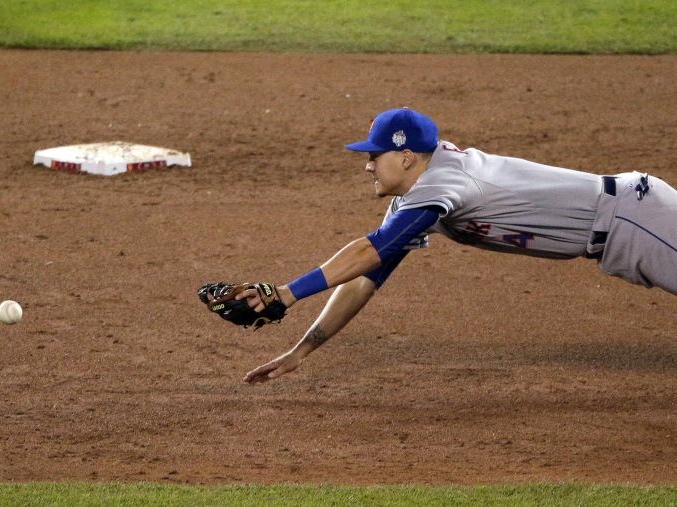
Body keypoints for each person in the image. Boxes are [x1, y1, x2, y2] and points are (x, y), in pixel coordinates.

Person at [241, 107, 677, 384]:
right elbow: (365, 278)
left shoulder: (444, 182)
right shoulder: (415, 199)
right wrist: (302, 351)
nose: (368, 165)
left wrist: (285, 294)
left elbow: (372, 248)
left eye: (375, 156)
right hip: (622, 231)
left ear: (407, 156)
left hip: (635, 218)